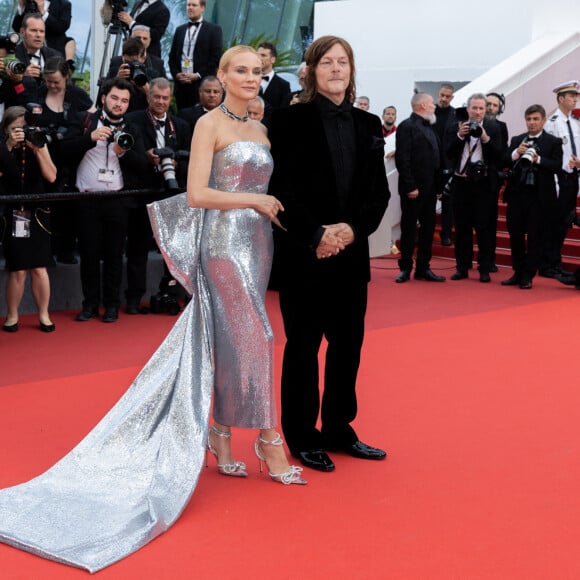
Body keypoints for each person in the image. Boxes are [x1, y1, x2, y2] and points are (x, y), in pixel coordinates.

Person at [0, 46, 304, 574]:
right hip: (223, 245)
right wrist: (254, 202)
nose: (251, 79)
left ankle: (221, 433)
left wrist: (271, 209)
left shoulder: (260, 128)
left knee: (232, 338)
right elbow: (198, 192)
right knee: (261, 335)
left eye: (257, 72)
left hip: (258, 245)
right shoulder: (209, 123)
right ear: (222, 77)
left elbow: (266, 186)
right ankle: (270, 439)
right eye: (241, 71)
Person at [268, 35, 389, 472]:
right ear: (313, 71)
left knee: (347, 347)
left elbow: (378, 193)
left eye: (343, 62)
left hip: (351, 257)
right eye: (328, 62)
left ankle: (339, 429)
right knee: (303, 347)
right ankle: (301, 436)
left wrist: (351, 231)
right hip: (305, 256)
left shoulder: (370, 124)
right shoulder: (286, 122)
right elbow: (280, 190)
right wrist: (316, 233)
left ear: (351, 70)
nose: (336, 69)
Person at [60, 77, 148, 323]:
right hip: (87, 199)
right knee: (88, 253)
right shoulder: (83, 120)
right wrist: (90, 138)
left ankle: (111, 305)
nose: (119, 104)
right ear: (103, 99)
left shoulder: (132, 129)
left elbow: (142, 166)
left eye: (124, 101)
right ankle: (89, 305)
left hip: (117, 201)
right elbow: (63, 150)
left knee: (113, 255)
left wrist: (123, 153)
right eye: (114, 98)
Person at [125, 77, 191, 314]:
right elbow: (126, 155)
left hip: (171, 195)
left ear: (170, 98)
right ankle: (133, 298)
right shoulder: (133, 121)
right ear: (148, 96)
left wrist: (174, 162)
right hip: (142, 193)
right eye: (157, 97)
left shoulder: (181, 126)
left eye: (165, 97)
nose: (161, 101)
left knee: (173, 250)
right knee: (138, 248)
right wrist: (146, 157)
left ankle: (173, 294)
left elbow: (191, 160)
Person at [0, 106, 57, 332]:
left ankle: (44, 314)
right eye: (15, 129)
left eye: (24, 128)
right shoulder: (3, 148)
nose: (21, 133)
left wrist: (38, 149)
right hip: (15, 212)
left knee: (39, 268)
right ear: (6, 129)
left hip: (37, 213)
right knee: (18, 269)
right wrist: (9, 146)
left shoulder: (38, 142)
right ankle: (12, 316)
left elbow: (51, 176)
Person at [35, 56, 95, 264]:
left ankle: (66, 250)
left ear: (66, 77)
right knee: (44, 206)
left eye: (56, 82)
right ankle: (46, 251)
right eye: (48, 81)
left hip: (70, 159)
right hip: (43, 158)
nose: (51, 85)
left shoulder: (77, 95)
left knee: (68, 208)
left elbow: (92, 118)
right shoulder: (39, 94)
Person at [501, 104, 562, 289]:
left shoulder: (553, 142)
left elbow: (557, 166)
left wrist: (538, 159)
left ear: (543, 120)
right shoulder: (517, 139)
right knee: (515, 236)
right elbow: (504, 161)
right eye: (529, 119)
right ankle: (517, 272)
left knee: (535, 237)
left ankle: (528, 275)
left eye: (536, 119)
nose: (532, 123)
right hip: (517, 195)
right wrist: (515, 153)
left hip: (540, 198)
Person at [447, 93, 504, 282]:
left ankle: (484, 268)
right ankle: (462, 267)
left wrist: (486, 138)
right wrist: (459, 136)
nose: (478, 112)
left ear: (485, 109)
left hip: (484, 185)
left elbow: (500, 157)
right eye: (474, 108)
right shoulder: (457, 126)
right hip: (461, 183)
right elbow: (447, 153)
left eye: (481, 108)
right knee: (462, 228)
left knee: (484, 228)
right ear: (468, 108)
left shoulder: (495, 128)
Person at [394, 92, 445, 283]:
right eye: (432, 103)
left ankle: (423, 268)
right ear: (423, 105)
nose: (434, 106)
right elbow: (402, 158)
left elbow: (436, 158)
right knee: (408, 228)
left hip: (430, 189)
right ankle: (405, 268)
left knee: (428, 228)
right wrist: (410, 186)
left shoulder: (430, 128)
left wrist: (438, 186)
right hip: (413, 190)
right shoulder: (407, 126)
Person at [540, 80, 580, 278]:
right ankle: (548, 263)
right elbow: (549, 153)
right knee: (553, 222)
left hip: (573, 179)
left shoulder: (574, 123)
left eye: (576, 96)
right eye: (571, 96)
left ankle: (555, 261)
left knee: (565, 222)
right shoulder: (552, 123)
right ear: (561, 98)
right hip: (558, 179)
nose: (575, 99)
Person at [168, 0, 223, 110]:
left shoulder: (214, 30)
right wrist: (176, 74)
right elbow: (172, 57)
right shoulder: (180, 30)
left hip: (201, 85)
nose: (190, 8)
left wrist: (197, 75)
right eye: (188, 5)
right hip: (181, 86)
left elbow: (215, 58)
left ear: (202, 8)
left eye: (194, 5)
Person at [13, 13, 60, 105]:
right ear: (22, 32)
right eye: (34, 30)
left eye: (42, 31)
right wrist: (23, 75)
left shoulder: (55, 56)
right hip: (19, 109)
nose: (38, 35)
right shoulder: (12, 54)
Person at [434, 83, 456, 246]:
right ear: (438, 94)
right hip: (430, 163)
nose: (444, 98)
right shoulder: (428, 111)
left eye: (447, 96)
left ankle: (446, 234)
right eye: (442, 95)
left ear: (452, 97)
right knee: (426, 199)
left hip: (449, 163)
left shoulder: (456, 115)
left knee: (448, 201)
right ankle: (425, 232)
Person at [258, 41, 291, 125]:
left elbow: (283, 113)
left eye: (263, 55)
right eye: (257, 55)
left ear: (273, 59)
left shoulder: (284, 85)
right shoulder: (248, 80)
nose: (259, 58)